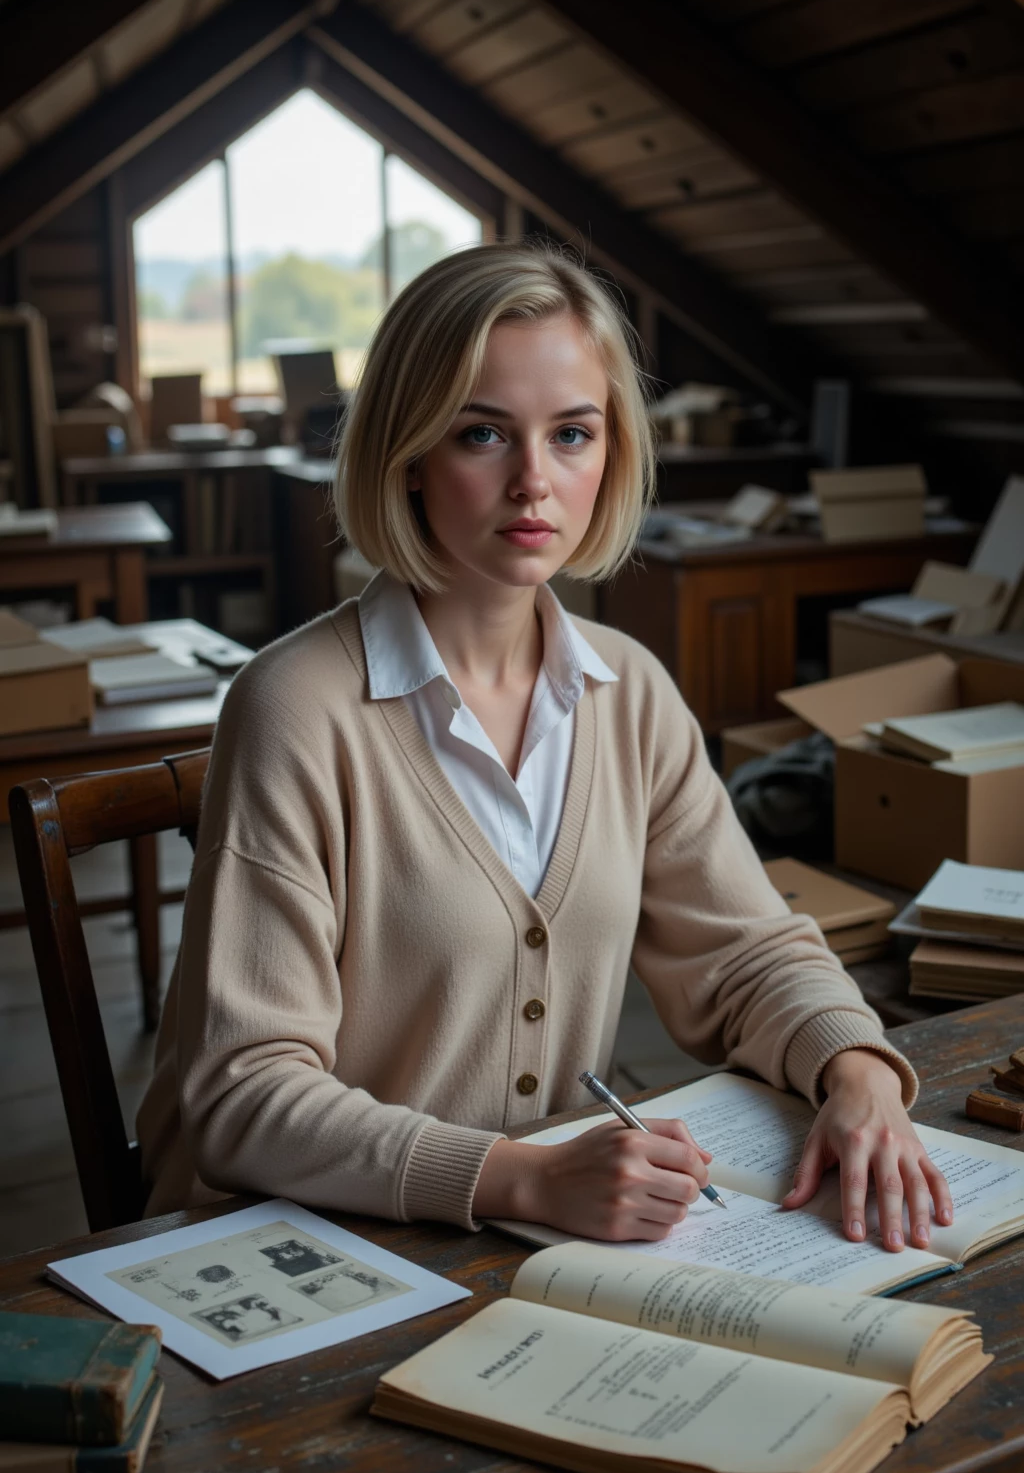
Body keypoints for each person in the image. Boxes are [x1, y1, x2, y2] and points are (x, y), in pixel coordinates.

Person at [137, 242, 953, 1255]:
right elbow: (240, 1095)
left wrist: (858, 1074)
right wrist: (521, 1177)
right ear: (409, 455)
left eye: (571, 433)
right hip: (304, 1252)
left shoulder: (628, 689)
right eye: (482, 434)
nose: (535, 481)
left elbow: (746, 953)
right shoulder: (294, 706)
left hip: (526, 1246)